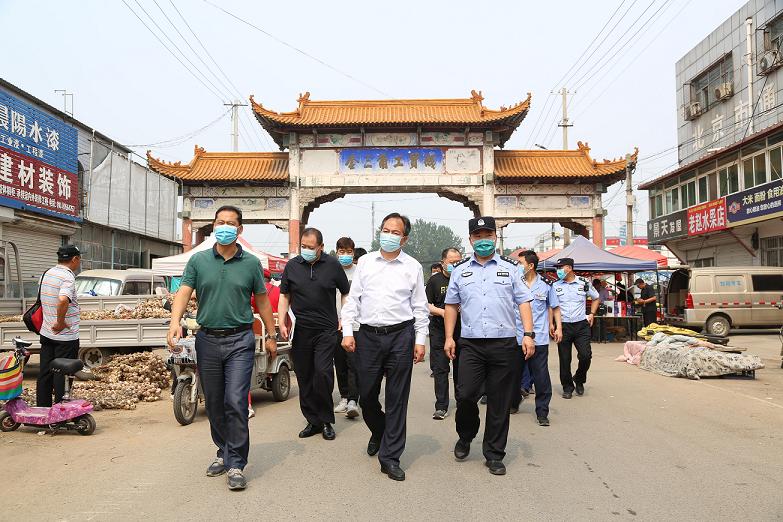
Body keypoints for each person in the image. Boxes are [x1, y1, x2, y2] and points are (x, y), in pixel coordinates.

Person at [167, 205, 277, 490]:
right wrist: (174, 322)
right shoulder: (199, 261)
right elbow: (183, 293)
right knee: (214, 402)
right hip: (207, 340)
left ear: (239, 230)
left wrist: (272, 334)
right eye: (220, 222)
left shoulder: (251, 263)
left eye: (231, 223)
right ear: (213, 226)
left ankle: (237, 462)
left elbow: (263, 301)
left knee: (236, 401)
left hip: (240, 340)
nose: (225, 226)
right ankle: (223, 452)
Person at [444, 216, 535, 477]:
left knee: (500, 401)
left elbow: (524, 302)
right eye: (478, 236)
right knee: (466, 395)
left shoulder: (511, 268)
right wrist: (450, 337)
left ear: (496, 237)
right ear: (470, 239)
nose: (483, 240)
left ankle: (494, 454)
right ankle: (466, 434)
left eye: (488, 235)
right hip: (470, 345)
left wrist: (528, 334)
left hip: (504, 344)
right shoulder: (460, 270)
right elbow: (451, 305)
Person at [341, 212, 429, 482]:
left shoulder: (412, 266)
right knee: (367, 396)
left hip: (401, 336)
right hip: (367, 336)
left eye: (395, 232)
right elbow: (352, 299)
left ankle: (390, 457)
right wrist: (347, 331)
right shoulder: (365, 262)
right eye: (385, 229)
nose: (388, 235)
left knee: (397, 399)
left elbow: (420, 307)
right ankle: (379, 431)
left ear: (403, 239)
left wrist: (420, 340)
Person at [278, 228, 351, 441]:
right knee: (304, 376)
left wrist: (343, 319)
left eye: (311, 247)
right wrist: (282, 321)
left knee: (323, 373)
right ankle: (313, 420)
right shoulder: (292, 266)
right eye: (304, 246)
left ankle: (326, 420)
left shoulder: (332, 265)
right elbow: (284, 296)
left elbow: (346, 292)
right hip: (301, 331)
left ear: (321, 247)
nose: (306, 251)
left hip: (327, 330)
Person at [512, 251, 559, 426]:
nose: (517, 265)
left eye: (520, 262)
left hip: (538, 339)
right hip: (516, 337)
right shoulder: (514, 282)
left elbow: (555, 307)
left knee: (541, 376)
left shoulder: (547, 285)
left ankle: (542, 412)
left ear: (530, 265)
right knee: (513, 374)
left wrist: (557, 327)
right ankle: (514, 402)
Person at [37, 244, 84, 408]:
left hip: (46, 332)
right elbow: (63, 299)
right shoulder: (68, 277)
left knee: (45, 372)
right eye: (79, 258)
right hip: (65, 336)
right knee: (62, 374)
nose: (79, 262)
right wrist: (60, 320)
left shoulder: (46, 274)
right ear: (74, 259)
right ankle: (60, 410)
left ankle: (42, 408)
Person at [552, 257, 599, 399]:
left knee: (585, 356)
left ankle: (579, 378)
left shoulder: (584, 283)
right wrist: (553, 325)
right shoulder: (555, 285)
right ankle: (567, 387)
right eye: (558, 268)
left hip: (581, 325)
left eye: (561, 268)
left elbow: (595, 297)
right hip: (563, 325)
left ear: (569, 268)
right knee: (564, 359)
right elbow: (552, 306)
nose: (559, 271)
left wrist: (592, 314)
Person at [425, 247, 463, 420]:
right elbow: (427, 305)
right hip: (439, 331)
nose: (455, 265)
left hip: (463, 332)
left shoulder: (466, 279)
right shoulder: (435, 281)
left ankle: (462, 402)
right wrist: (444, 313)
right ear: (443, 263)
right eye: (452, 262)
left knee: (461, 370)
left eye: (458, 262)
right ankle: (441, 406)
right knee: (441, 369)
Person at [333, 236, 360, 418]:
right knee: (340, 363)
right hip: (334, 326)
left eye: (349, 252)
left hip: (356, 326)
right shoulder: (331, 272)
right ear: (336, 253)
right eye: (342, 252)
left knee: (354, 363)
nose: (345, 255)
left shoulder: (360, 272)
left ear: (353, 253)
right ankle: (344, 396)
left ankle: (353, 400)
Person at [248, 268, 280, 419]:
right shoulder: (278, 291)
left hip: (259, 330)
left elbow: (252, 308)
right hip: (276, 330)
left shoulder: (254, 292)